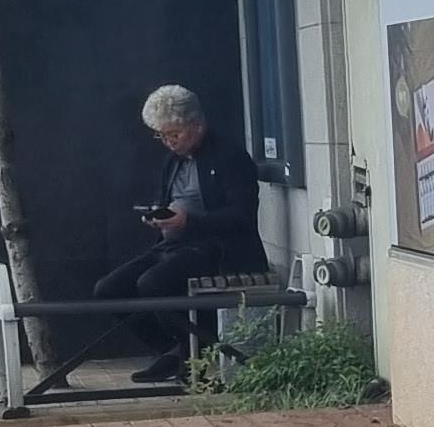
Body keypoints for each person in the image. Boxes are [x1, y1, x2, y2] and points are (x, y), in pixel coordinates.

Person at [39, 87, 270, 395]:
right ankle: (173, 350)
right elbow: (168, 200)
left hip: (219, 246)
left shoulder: (230, 157)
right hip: (174, 244)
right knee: (108, 289)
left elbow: (242, 215)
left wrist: (189, 222)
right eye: (162, 136)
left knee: (154, 283)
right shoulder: (173, 162)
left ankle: (195, 354)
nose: (169, 142)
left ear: (197, 125)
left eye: (175, 134)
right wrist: (158, 216)